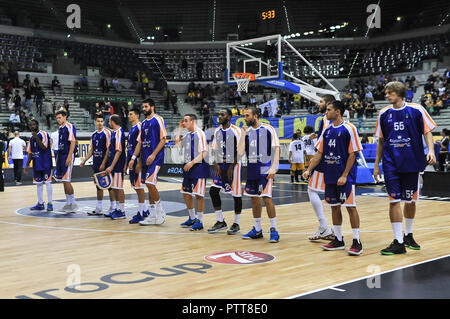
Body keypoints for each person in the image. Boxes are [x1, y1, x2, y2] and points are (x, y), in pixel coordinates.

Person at [373, 81, 437, 255]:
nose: (387, 95)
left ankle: (408, 235)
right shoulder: (384, 113)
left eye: (389, 93)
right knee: (393, 200)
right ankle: (398, 241)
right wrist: (376, 164)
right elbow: (381, 140)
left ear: (399, 93)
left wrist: (431, 150)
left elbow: (427, 131)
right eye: (386, 93)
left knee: (410, 201)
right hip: (390, 162)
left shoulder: (417, 110)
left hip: (411, 161)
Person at [303, 100, 364, 255]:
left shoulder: (349, 129)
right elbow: (319, 154)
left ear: (337, 112)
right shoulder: (327, 130)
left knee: (350, 207)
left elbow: (353, 154)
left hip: (345, 177)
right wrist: (309, 169)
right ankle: (338, 239)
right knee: (334, 207)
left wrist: (344, 175)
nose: (326, 112)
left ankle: (357, 241)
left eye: (328, 110)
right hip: (330, 176)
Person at [237, 107, 280, 243]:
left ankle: (274, 229)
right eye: (244, 116)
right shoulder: (247, 131)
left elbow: (276, 148)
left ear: (255, 116)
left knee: (266, 198)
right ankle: (257, 229)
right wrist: (243, 134)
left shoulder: (268, 129)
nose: (245, 118)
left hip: (265, 168)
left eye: (247, 115)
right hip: (251, 168)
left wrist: (273, 168)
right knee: (254, 199)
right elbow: (240, 152)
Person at [303, 95, 335, 241]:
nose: (319, 104)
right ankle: (334, 230)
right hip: (334, 159)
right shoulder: (329, 119)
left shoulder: (326, 118)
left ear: (328, 104)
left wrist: (310, 167)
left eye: (321, 101)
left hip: (325, 159)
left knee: (312, 189)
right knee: (336, 197)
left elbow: (325, 140)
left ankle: (324, 227)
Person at [207, 109, 243, 235]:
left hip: (234, 165)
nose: (220, 116)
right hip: (220, 164)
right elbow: (215, 149)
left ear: (229, 117)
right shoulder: (217, 131)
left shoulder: (236, 131)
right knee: (213, 191)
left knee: (236, 195)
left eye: (222, 114)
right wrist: (216, 163)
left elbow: (241, 151)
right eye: (219, 114)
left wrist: (231, 166)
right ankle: (220, 221)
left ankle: (236, 223)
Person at [136, 99, 167, 226]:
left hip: (156, 158)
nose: (144, 109)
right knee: (148, 186)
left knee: (150, 182)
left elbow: (163, 139)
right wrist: (135, 159)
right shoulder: (143, 123)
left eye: (146, 106)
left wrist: (153, 155)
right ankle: (153, 215)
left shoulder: (158, 119)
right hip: (145, 159)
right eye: (143, 106)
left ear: (152, 107)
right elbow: (140, 143)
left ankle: (161, 211)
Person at [176, 114, 209, 231]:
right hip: (188, 168)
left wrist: (192, 162)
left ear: (192, 122)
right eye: (183, 121)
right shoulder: (187, 135)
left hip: (199, 167)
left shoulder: (200, 134)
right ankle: (192, 218)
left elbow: (205, 152)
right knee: (186, 193)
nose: (183, 123)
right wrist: (180, 128)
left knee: (199, 196)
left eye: (185, 121)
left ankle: (199, 221)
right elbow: (177, 144)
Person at [79, 115, 115, 215]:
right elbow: (92, 150)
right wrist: (84, 160)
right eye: (98, 121)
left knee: (109, 186)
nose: (100, 123)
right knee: (98, 186)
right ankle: (99, 208)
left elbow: (108, 149)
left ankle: (113, 207)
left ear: (104, 122)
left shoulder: (107, 133)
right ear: (95, 122)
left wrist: (104, 163)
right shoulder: (94, 134)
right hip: (96, 163)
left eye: (101, 121)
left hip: (105, 163)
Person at [126, 107, 149, 224]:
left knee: (139, 187)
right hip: (131, 159)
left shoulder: (140, 127)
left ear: (137, 116)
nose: (129, 116)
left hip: (138, 160)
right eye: (129, 114)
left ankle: (140, 213)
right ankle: (144, 210)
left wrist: (139, 161)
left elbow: (141, 146)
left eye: (131, 114)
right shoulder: (132, 129)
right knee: (135, 186)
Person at [24, 120, 53, 211]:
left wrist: (36, 137)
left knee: (48, 183)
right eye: (30, 125)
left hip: (45, 163)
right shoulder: (31, 138)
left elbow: (44, 147)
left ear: (37, 125)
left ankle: (50, 203)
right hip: (37, 164)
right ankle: (40, 203)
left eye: (34, 124)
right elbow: (30, 153)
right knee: (38, 184)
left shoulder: (43, 134)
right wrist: (27, 165)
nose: (32, 126)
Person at [54, 109, 78, 212]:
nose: (58, 120)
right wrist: (58, 158)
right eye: (57, 118)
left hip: (68, 155)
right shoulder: (60, 128)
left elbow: (73, 142)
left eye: (60, 117)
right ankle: (68, 203)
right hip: (61, 155)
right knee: (64, 181)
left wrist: (69, 156)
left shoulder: (70, 126)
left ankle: (73, 203)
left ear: (65, 117)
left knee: (66, 180)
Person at [104, 115, 126, 219]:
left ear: (112, 122)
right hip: (114, 165)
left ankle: (121, 211)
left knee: (119, 188)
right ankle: (117, 209)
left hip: (118, 165)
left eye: (109, 121)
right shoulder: (115, 133)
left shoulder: (119, 133)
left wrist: (112, 166)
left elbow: (119, 151)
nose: (108, 123)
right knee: (115, 188)